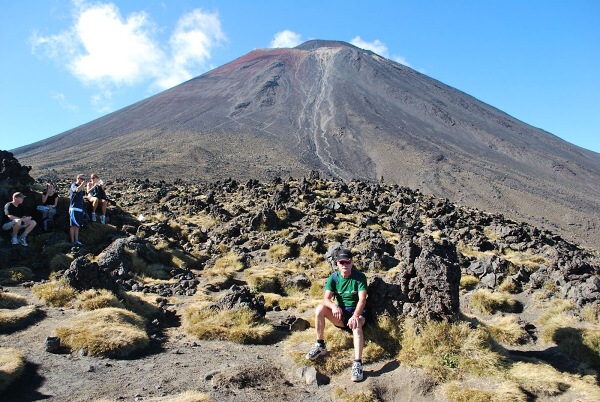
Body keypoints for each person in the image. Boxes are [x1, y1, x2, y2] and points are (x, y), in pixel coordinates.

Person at [306, 248, 368, 382]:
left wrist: (355, 315)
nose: (344, 265)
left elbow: (362, 299)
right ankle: (320, 344)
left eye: (347, 262)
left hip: (357, 312)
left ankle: (357, 363)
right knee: (320, 309)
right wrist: (334, 306)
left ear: (351, 263)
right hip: (340, 314)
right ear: (337, 263)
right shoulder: (333, 278)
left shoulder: (359, 277)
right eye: (341, 263)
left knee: (356, 325)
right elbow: (325, 299)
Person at [69, 174, 86, 245]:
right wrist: (82, 185)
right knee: (73, 225)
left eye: (84, 179)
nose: (82, 181)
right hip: (74, 208)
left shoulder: (81, 188)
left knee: (78, 226)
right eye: (81, 179)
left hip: (79, 208)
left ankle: (76, 240)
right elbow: (76, 190)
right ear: (78, 178)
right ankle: (72, 241)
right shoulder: (74, 185)